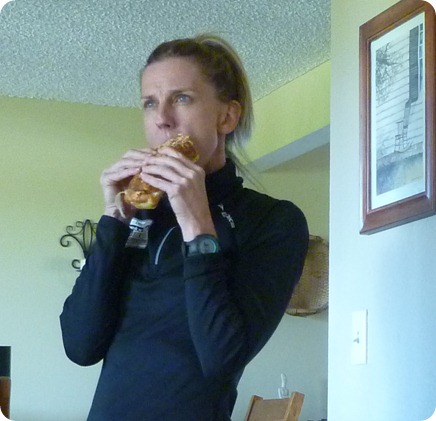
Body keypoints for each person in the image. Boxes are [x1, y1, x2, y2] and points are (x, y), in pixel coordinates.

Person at [60, 33, 309, 421]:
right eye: (149, 102)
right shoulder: (138, 214)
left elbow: (222, 360)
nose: (162, 118)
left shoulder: (274, 221)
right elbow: (80, 346)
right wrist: (113, 220)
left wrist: (197, 226)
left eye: (182, 98)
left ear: (227, 116)